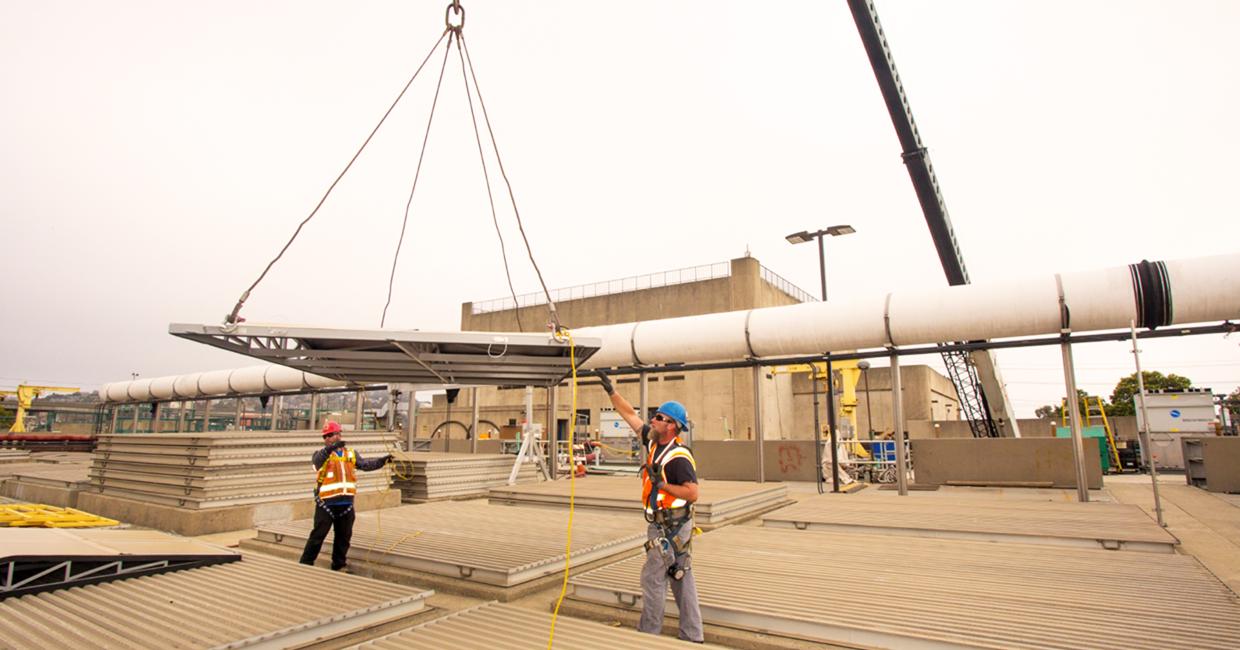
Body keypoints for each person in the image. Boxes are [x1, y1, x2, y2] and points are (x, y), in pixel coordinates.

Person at [597, 372, 703, 643]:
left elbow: (693, 493)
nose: (652, 420)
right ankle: (692, 636)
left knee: (653, 579)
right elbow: (630, 416)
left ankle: (648, 636)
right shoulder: (655, 441)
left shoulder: (678, 458)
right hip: (671, 524)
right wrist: (612, 392)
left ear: (671, 426)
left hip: (671, 526)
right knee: (680, 577)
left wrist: (662, 485)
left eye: (658, 417)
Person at [299, 420, 393, 571]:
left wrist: (383, 461)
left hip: (346, 504)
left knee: (344, 537)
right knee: (318, 535)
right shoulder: (320, 455)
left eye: (332, 434)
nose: (329, 438)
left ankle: (339, 564)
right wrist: (330, 449)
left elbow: (365, 465)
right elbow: (316, 464)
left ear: (339, 434)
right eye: (326, 436)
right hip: (326, 504)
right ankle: (305, 563)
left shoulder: (351, 454)